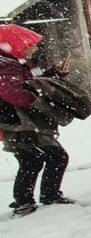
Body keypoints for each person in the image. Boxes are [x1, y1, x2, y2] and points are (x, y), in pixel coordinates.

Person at [0, 24, 76, 216]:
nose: (33, 48)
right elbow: (14, 93)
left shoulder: (17, 62)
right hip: (17, 124)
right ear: (15, 44)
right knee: (52, 157)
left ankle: (28, 200)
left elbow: (35, 81)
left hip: (22, 123)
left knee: (32, 160)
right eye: (29, 44)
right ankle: (35, 199)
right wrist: (41, 100)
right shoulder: (5, 65)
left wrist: (55, 74)